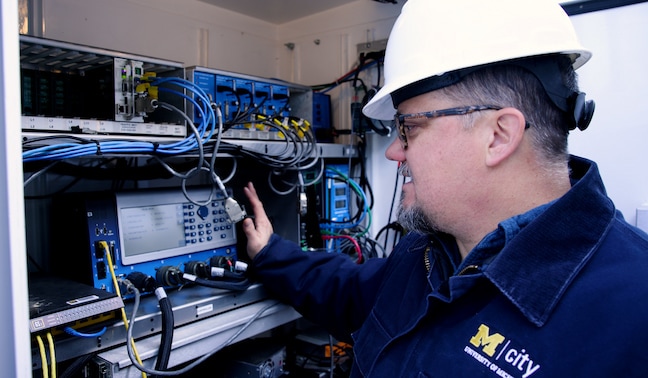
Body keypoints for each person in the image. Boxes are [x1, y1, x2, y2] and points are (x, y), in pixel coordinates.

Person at [241, 0, 648, 376]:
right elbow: (347, 291)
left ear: (498, 136)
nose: (394, 153)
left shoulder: (632, 314)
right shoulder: (428, 251)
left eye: (409, 128)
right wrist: (270, 251)